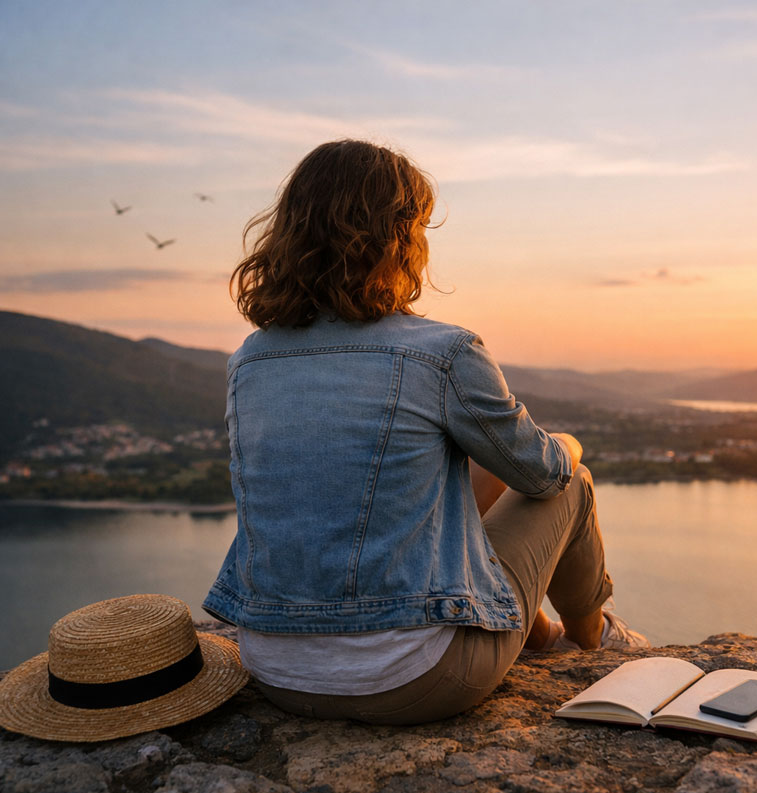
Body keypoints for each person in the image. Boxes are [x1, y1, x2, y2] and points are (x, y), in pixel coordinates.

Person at [202, 139, 647, 725]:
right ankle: (591, 641)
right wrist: (566, 446)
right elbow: (540, 475)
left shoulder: (249, 362)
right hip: (415, 676)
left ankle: (537, 635)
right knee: (570, 481)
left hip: (278, 672)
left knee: (456, 482)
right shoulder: (443, 353)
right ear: (399, 238)